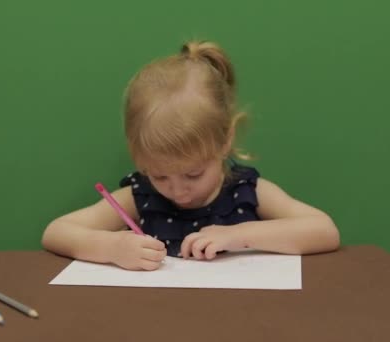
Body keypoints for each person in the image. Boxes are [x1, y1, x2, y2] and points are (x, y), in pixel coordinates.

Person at [42, 41, 340, 271]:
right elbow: (56, 232)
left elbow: (324, 231)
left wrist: (239, 235)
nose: (177, 189)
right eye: (158, 175)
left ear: (226, 140)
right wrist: (111, 248)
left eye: (193, 174)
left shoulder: (247, 193)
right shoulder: (140, 196)